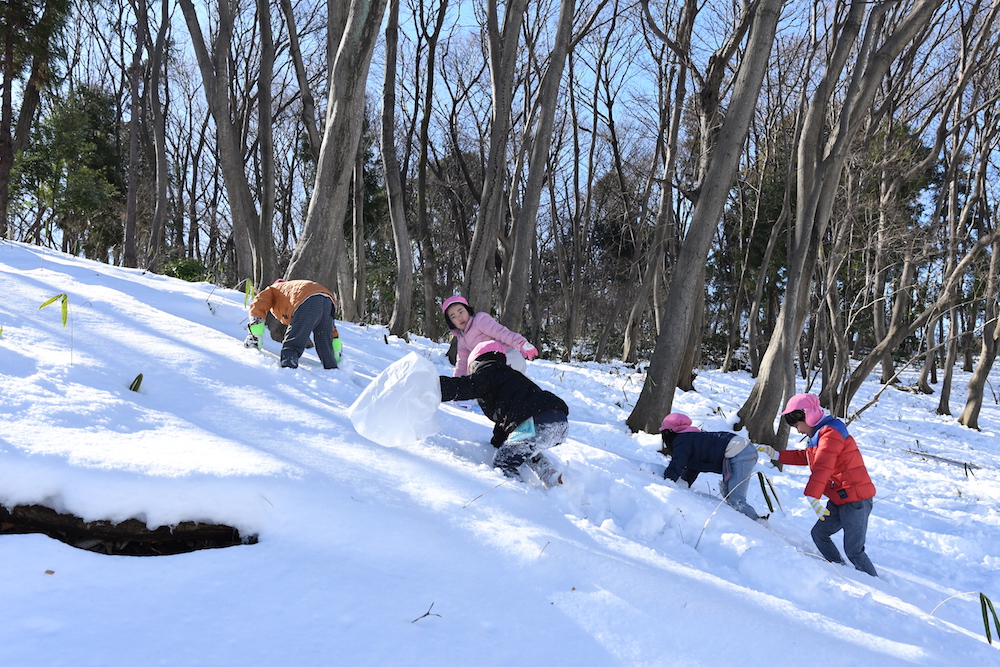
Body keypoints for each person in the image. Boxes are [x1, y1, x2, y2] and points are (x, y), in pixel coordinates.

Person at [757, 393, 878, 577]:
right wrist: (777, 455)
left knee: (854, 550)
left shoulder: (831, 434)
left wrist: (813, 494)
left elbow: (823, 465)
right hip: (839, 498)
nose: (798, 431)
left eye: (797, 425)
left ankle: (874, 583)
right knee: (819, 534)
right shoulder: (821, 434)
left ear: (808, 415)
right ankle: (841, 571)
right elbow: (807, 456)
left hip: (855, 500)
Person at [439, 340, 568, 487]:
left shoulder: (487, 374)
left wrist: (435, 386)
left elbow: (463, 386)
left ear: (475, 364)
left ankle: (521, 495)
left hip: (537, 421)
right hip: (559, 421)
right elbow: (504, 424)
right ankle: (550, 476)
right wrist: (497, 442)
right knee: (523, 446)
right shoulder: (511, 378)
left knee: (503, 461)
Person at [658, 413, 762, 520]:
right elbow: (693, 466)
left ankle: (757, 523)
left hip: (741, 451)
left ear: (669, 431)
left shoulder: (682, 439)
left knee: (736, 499)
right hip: (740, 450)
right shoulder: (692, 439)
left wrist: (668, 480)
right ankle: (749, 521)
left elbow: (678, 462)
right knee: (729, 495)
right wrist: (684, 483)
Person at [245, 279, 340, 370]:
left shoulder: (273, 289)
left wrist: (255, 335)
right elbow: (331, 330)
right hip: (328, 299)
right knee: (324, 337)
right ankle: (332, 367)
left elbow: (257, 305)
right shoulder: (291, 290)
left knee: (295, 339)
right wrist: (337, 351)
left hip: (307, 299)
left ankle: (288, 365)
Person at [441, 295, 538, 376]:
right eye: (453, 316)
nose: (459, 317)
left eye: (461, 311)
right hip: (493, 364)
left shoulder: (480, 320)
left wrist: (521, 343)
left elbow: (501, 332)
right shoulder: (462, 339)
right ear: (451, 322)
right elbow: (462, 364)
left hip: (509, 357)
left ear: (467, 310)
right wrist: (458, 386)